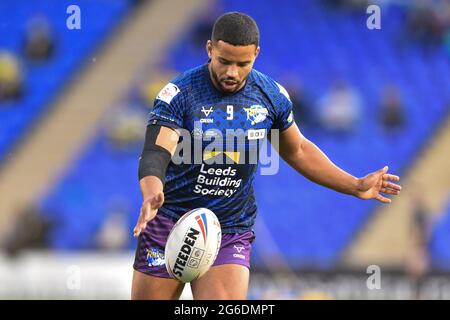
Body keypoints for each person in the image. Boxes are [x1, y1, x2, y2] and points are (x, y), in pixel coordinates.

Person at [131, 12, 402, 300]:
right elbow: (156, 151)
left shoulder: (270, 95)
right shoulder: (179, 94)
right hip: (169, 221)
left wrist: (354, 184)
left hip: (229, 227)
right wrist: (152, 191)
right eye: (224, 61)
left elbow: (297, 149)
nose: (232, 73)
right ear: (210, 49)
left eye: (242, 64)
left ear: (256, 55)